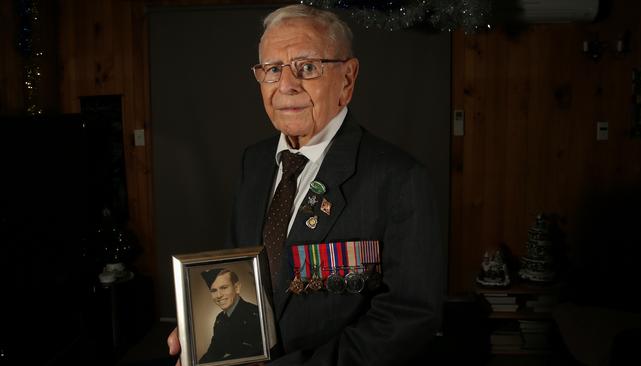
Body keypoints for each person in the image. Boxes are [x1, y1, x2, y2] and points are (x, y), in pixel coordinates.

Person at [169, 4, 443, 365]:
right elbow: (240, 272)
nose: (286, 85)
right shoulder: (253, 162)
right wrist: (202, 337)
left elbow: (408, 318)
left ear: (347, 78)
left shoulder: (399, 178)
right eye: (272, 69)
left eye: (307, 67)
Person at [198, 268, 262, 363]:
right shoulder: (220, 318)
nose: (219, 295)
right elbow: (213, 353)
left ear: (237, 288)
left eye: (224, 288)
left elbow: (253, 355)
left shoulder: (256, 314)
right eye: (214, 290)